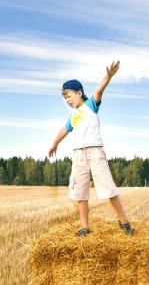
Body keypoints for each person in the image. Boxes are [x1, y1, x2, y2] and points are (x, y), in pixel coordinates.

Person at [48, 61, 134, 237]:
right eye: (65, 98)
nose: (67, 100)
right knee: (80, 192)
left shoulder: (90, 106)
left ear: (79, 93)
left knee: (109, 188)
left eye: (69, 95)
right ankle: (85, 227)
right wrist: (55, 143)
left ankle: (123, 222)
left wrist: (108, 76)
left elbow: (98, 91)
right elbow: (64, 129)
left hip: (95, 152)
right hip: (78, 155)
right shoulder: (73, 116)